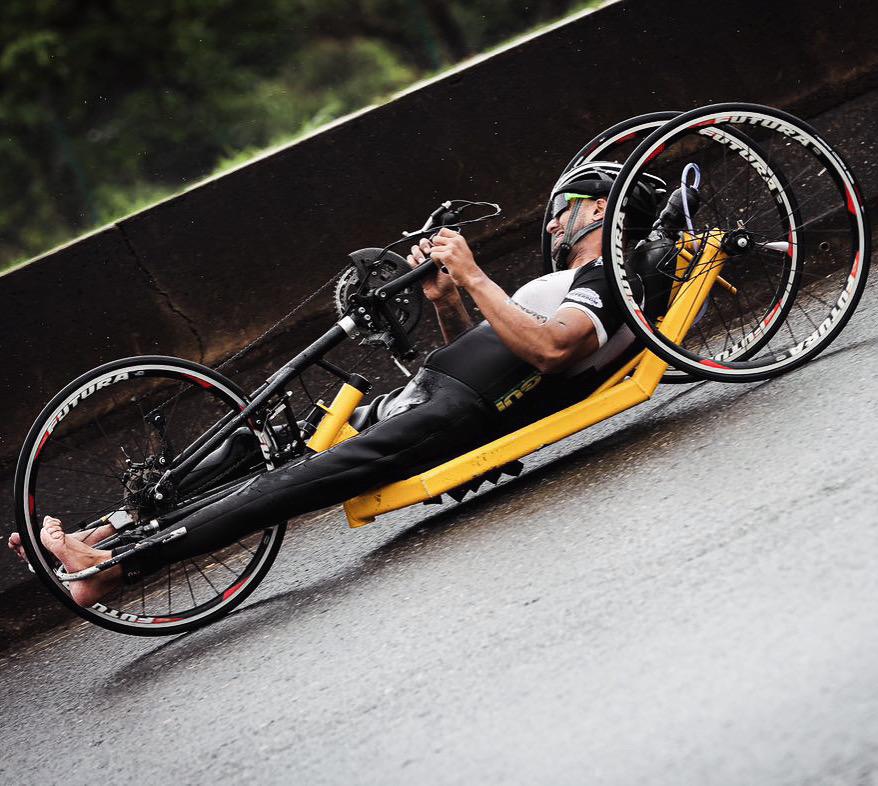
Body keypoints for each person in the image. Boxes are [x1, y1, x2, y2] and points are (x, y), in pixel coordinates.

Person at [9, 162, 670, 606]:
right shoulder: (560, 284)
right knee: (254, 443)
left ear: (605, 209)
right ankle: (106, 534)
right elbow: (498, 351)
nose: (552, 224)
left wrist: (472, 274)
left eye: (566, 211)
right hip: (432, 396)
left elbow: (554, 352)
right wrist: (448, 303)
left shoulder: (611, 276)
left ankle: (116, 571)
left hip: (454, 417)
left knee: (283, 486)